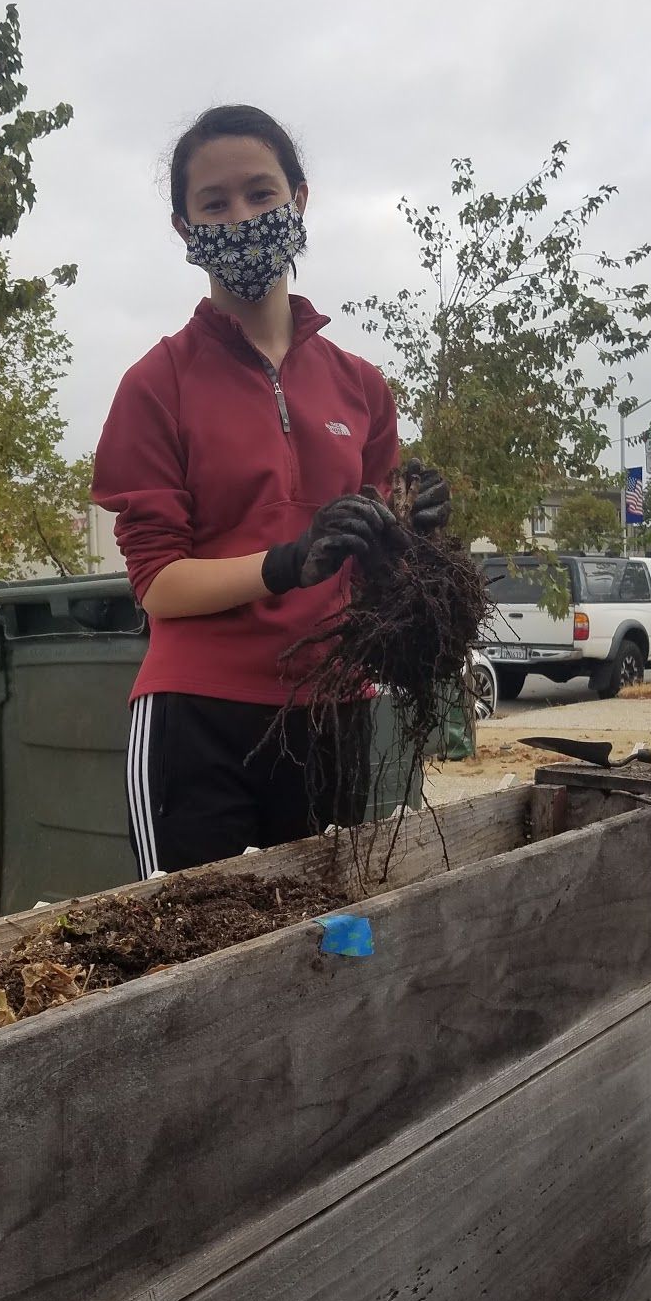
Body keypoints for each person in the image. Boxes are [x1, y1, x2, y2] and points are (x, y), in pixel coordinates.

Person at [92, 104, 449, 878]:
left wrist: (414, 532)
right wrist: (287, 563)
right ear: (185, 230)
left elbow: (383, 570)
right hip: (198, 720)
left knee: (337, 942)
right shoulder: (157, 385)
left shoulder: (360, 387)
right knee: (195, 954)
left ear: (300, 199)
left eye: (260, 193)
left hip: (332, 709)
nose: (242, 216)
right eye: (213, 204)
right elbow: (158, 585)